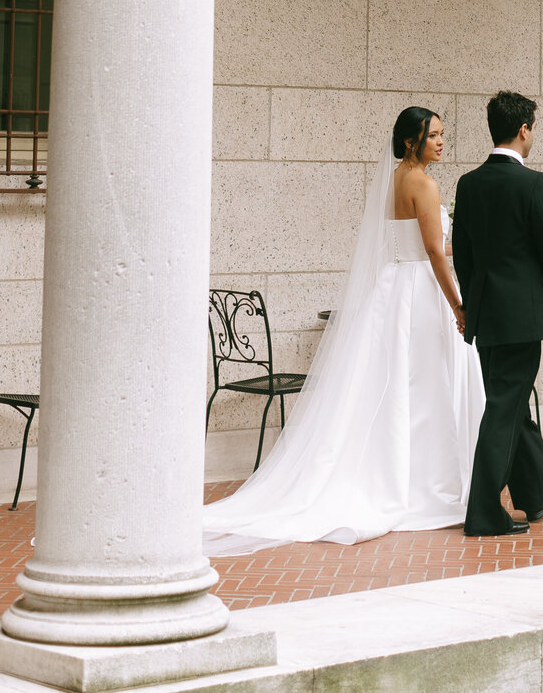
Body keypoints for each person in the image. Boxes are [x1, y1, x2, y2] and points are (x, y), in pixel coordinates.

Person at [203, 107, 485, 551]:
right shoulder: (424, 184)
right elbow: (433, 252)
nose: (442, 142)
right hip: (420, 293)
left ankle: (392, 470)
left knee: (387, 386)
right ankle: (423, 483)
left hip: (391, 290)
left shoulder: (392, 181)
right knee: (425, 387)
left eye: (442, 134)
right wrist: (459, 305)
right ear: (412, 141)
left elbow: (416, 239)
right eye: (434, 135)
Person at [453, 90, 543, 537]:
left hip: (488, 318)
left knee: (509, 403)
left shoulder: (468, 184)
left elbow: (464, 257)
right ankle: (484, 512)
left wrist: (469, 308)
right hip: (521, 318)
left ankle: (536, 490)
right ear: (524, 128)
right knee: (503, 409)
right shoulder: (535, 184)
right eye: (533, 127)